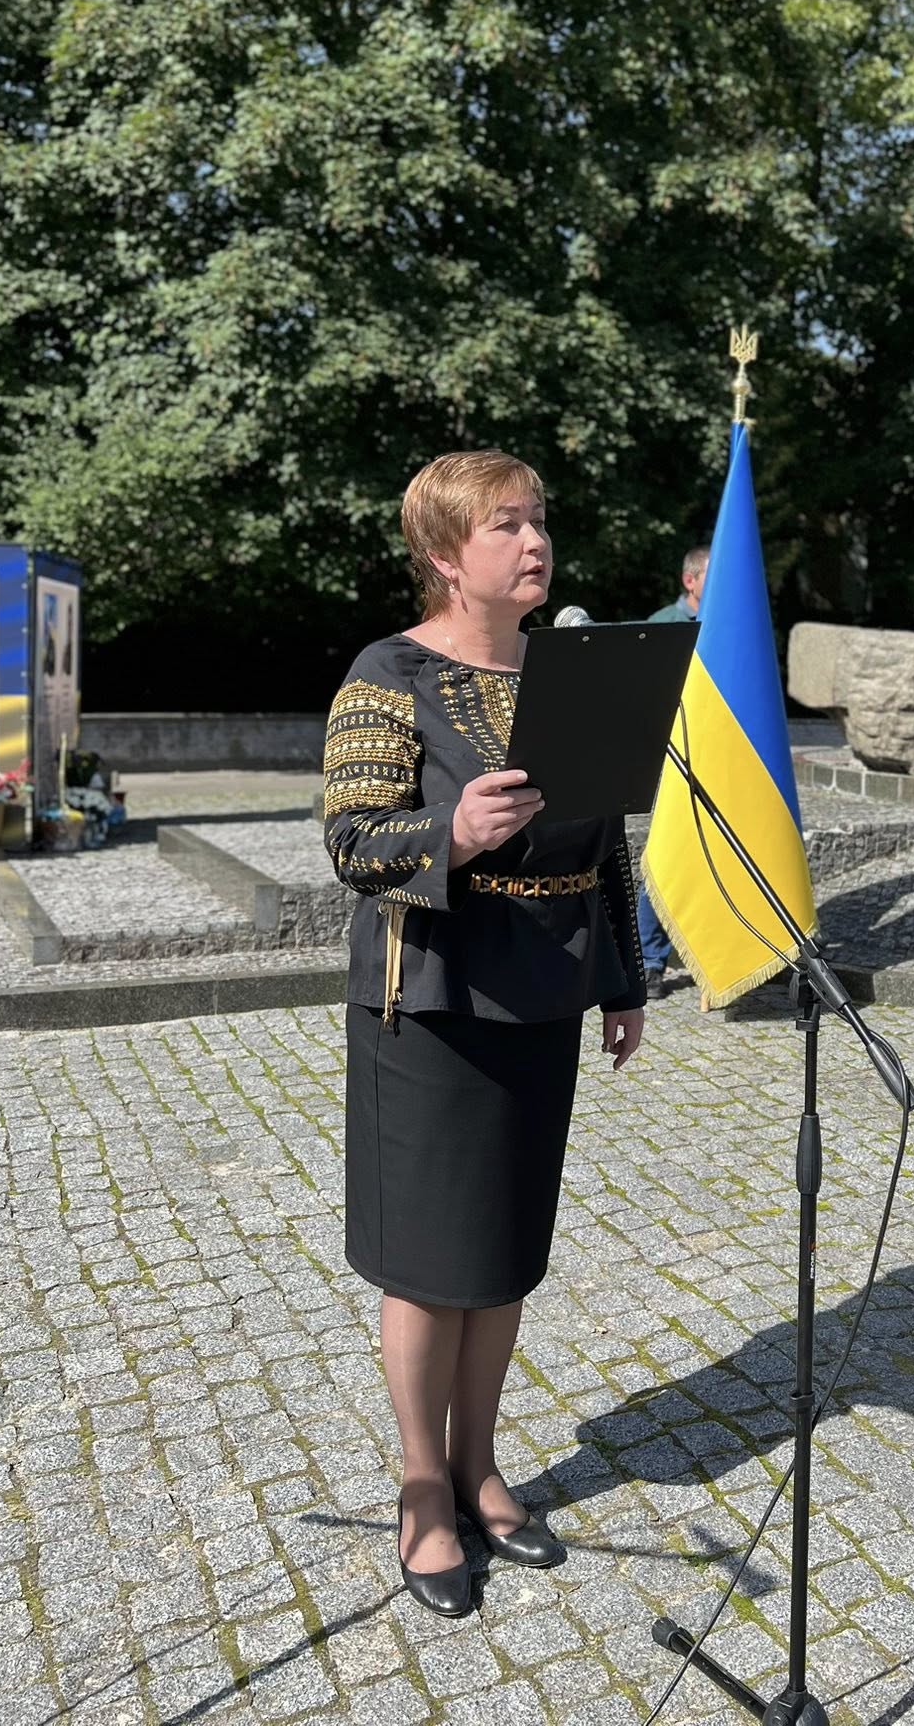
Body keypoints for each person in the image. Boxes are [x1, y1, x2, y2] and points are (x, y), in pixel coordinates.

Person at [323, 449, 647, 1621]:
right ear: (445, 554)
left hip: (545, 994)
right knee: (429, 1263)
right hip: (433, 1000)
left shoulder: (573, 672)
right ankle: (423, 1483)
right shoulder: (388, 672)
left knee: (503, 1253)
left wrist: (625, 979)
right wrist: (451, 831)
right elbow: (352, 843)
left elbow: (605, 844)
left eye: (538, 519)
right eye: (505, 524)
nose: (534, 540)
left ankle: (478, 1462)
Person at [638, 544, 708, 994]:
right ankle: (649, 961)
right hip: (675, 756)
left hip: (716, 756)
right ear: (690, 580)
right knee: (666, 853)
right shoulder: (664, 625)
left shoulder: (728, 626)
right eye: (714, 577)